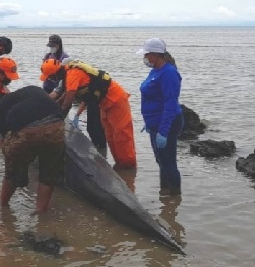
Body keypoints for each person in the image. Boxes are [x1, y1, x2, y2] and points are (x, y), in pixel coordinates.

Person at [39, 59, 136, 169]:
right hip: (104, 104)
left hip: (116, 100)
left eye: (50, 77)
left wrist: (57, 123)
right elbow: (63, 98)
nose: (50, 80)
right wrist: (49, 112)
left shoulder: (72, 74)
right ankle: (124, 172)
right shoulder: (67, 75)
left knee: (121, 136)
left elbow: (67, 103)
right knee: (111, 137)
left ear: (55, 73)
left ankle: (128, 166)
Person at [0, 86, 65, 213]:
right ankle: (40, 211)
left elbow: (4, 138)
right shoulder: (34, 90)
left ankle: (3, 207)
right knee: (48, 175)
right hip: (56, 127)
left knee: (12, 172)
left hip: (28, 133)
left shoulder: (0, 108)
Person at [136, 38, 183, 196]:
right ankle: (164, 195)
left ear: (155, 55)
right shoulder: (155, 70)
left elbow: (170, 103)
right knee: (161, 161)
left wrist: (163, 130)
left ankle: (175, 197)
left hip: (167, 124)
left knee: (168, 163)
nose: (145, 58)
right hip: (155, 122)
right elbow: (153, 98)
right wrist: (149, 122)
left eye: (147, 55)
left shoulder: (168, 73)